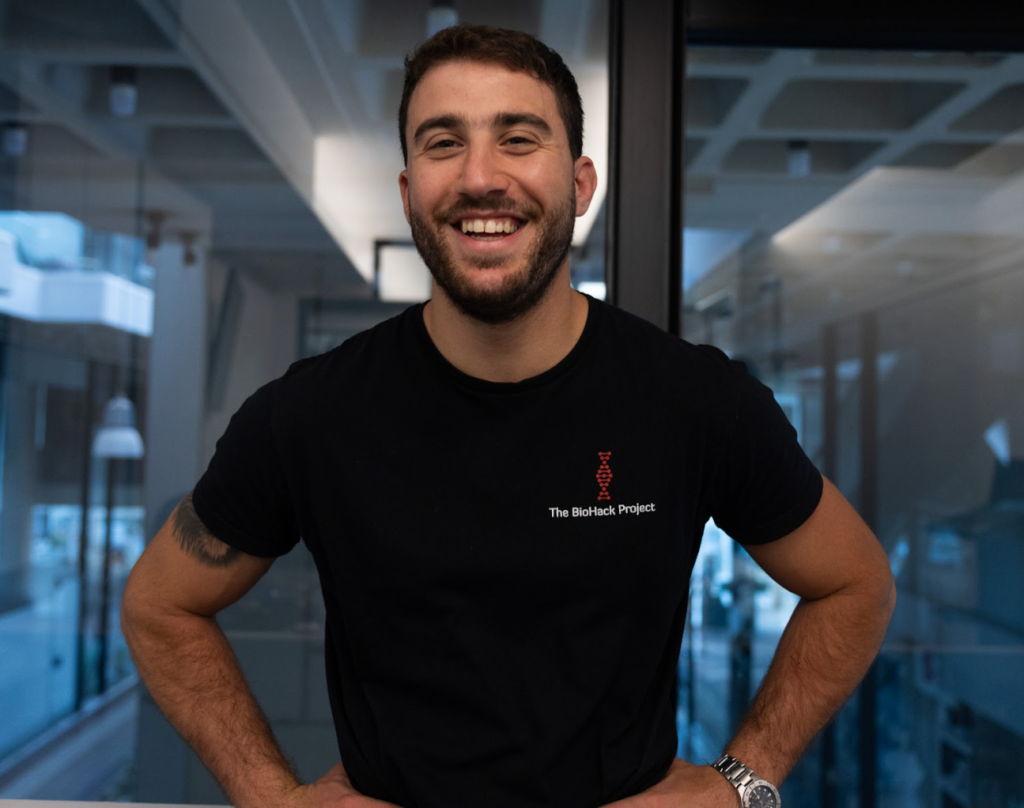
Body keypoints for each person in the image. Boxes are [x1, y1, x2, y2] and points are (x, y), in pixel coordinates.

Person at [121, 23, 896, 808]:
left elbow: (854, 584)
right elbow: (160, 605)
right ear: (407, 193)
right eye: (443, 143)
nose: (480, 177)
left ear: (581, 184)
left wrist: (742, 782)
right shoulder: (310, 414)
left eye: (518, 139)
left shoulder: (694, 401)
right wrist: (272, 797)